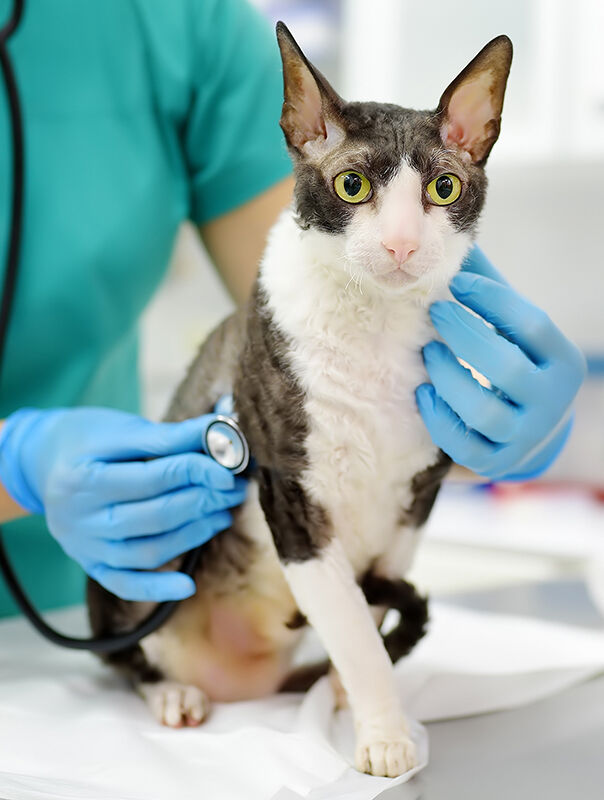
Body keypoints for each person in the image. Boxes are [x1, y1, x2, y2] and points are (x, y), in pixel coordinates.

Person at [0, 0, 586, 618]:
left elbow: (324, 347)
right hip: (122, 595)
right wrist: (17, 463)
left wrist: (506, 428)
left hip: (119, 585)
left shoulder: (178, 23)